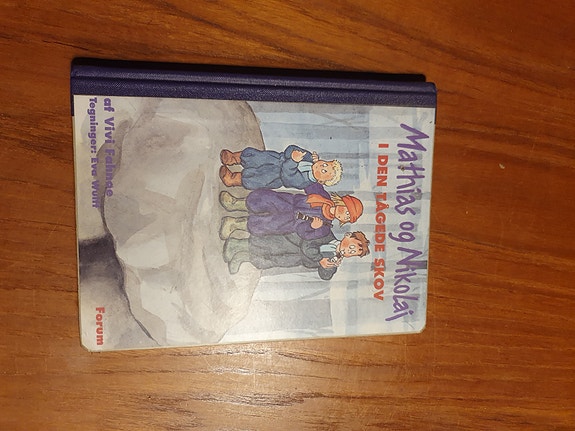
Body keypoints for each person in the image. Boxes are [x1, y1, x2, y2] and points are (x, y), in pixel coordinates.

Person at [218, 183, 363, 241]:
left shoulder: (325, 228)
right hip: (288, 202)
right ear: (342, 202)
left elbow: (305, 235)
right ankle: (235, 203)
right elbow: (310, 183)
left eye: (347, 216)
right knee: (263, 199)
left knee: (264, 225)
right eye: (347, 209)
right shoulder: (323, 196)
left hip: (289, 223)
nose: (344, 214)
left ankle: (234, 224)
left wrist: (313, 227)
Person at [222, 230, 370, 279]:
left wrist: (327, 266)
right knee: (266, 245)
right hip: (291, 242)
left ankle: (242, 257)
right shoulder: (326, 235)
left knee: (269, 261)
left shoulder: (335, 259)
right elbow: (307, 245)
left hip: (294, 259)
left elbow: (325, 276)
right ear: (347, 236)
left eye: (353, 253)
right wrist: (320, 259)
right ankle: (236, 244)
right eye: (352, 247)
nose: (349, 251)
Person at [219, 145, 342, 190]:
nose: (321, 166)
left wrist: (293, 161)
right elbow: (290, 149)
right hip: (276, 159)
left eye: (324, 171)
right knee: (256, 156)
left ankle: (232, 179)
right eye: (325, 164)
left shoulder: (304, 181)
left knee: (255, 178)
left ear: (320, 181)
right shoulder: (309, 157)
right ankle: (233, 158)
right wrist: (300, 155)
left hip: (275, 176)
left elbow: (288, 177)